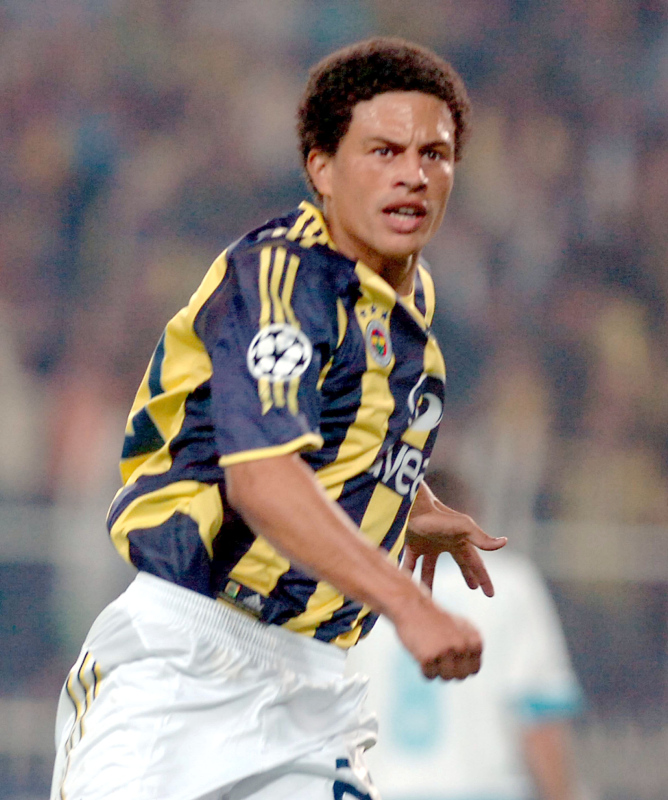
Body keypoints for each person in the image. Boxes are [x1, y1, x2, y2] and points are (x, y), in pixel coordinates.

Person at [50, 38, 507, 800]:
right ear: (321, 168)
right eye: (384, 151)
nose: (414, 174)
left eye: (434, 153)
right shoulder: (283, 277)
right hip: (182, 659)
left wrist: (407, 505)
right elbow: (262, 478)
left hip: (316, 687)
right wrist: (408, 604)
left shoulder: (414, 302)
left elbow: (342, 423)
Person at [348, 469, 585, 800]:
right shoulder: (510, 585)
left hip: (375, 788)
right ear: (470, 517)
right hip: (485, 789)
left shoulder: (356, 582)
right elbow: (538, 714)